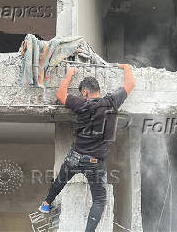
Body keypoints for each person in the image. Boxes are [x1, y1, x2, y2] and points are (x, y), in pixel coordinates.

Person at [38, 64, 135, 231]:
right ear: (98, 89)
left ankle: (46, 203)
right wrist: (126, 67)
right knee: (99, 200)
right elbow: (131, 83)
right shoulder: (112, 102)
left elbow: (61, 94)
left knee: (60, 180)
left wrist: (69, 73)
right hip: (95, 162)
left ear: (84, 92)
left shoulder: (82, 104)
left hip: (75, 156)